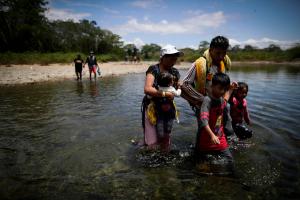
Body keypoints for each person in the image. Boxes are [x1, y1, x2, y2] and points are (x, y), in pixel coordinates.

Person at [181, 36, 233, 137]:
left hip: (218, 103)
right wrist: (202, 99)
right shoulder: (200, 64)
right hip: (202, 104)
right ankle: (199, 151)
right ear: (211, 49)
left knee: (221, 126)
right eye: (218, 53)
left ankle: (224, 145)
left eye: (224, 53)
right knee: (204, 129)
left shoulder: (223, 64)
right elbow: (185, 84)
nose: (221, 56)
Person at [141, 45, 183, 152]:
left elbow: (179, 87)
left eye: (175, 58)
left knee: (165, 136)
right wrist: (165, 94)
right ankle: (149, 156)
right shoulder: (153, 69)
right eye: (171, 57)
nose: (173, 60)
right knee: (152, 141)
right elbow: (147, 89)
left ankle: (164, 159)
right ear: (162, 57)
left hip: (167, 109)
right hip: (152, 108)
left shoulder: (174, 72)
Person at [196, 73, 237, 163]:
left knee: (229, 160)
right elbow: (203, 120)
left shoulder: (221, 100)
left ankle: (230, 176)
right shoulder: (207, 100)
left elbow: (226, 98)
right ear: (212, 86)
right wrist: (212, 135)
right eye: (220, 89)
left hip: (220, 138)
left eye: (224, 89)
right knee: (203, 163)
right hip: (207, 138)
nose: (222, 92)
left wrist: (230, 89)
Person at [146, 72, 181, 140]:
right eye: (172, 80)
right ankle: (167, 135)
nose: (173, 81)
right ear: (169, 83)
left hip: (159, 111)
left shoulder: (157, 89)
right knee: (169, 123)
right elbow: (178, 94)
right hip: (170, 111)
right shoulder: (172, 89)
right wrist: (179, 88)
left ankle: (160, 136)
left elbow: (149, 96)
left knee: (160, 122)